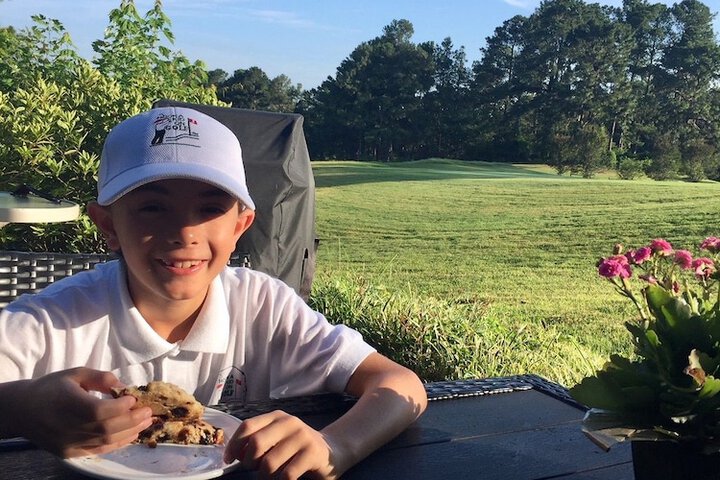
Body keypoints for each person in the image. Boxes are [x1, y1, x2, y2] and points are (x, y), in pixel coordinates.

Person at [0, 106, 427, 479]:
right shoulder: (51, 321)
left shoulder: (264, 306)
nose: (184, 232)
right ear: (108, 225)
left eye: (210, 208)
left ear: (240, 226)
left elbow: (400, 385)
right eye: (153, 207)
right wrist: (24, 408)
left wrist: (336, 446)